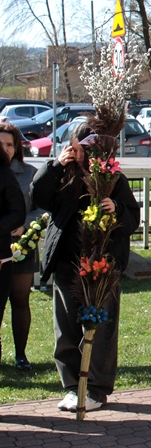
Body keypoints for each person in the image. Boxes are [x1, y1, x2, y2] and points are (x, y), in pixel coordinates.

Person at [32, 122, 139, 411]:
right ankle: (72, 386)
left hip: (102, 266)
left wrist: (116, 209)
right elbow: (38, 196)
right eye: (74, 149)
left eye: (84, 151)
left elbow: (132, 219)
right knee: (66, 326)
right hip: (67, 263)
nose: (78, 156)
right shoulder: (63, 174)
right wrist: (54, 166)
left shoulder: (113, 179)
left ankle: (95, 389)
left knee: (99, 329)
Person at [0, 123, 42, 371]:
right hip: (0, 246)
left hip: (23, 246)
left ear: (17, 147)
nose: (5, 149)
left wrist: (24, 224)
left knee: (20, 298)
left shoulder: (30, 173)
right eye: (0, 144)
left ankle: (21, 355)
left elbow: (43, 207)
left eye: (9, 144)